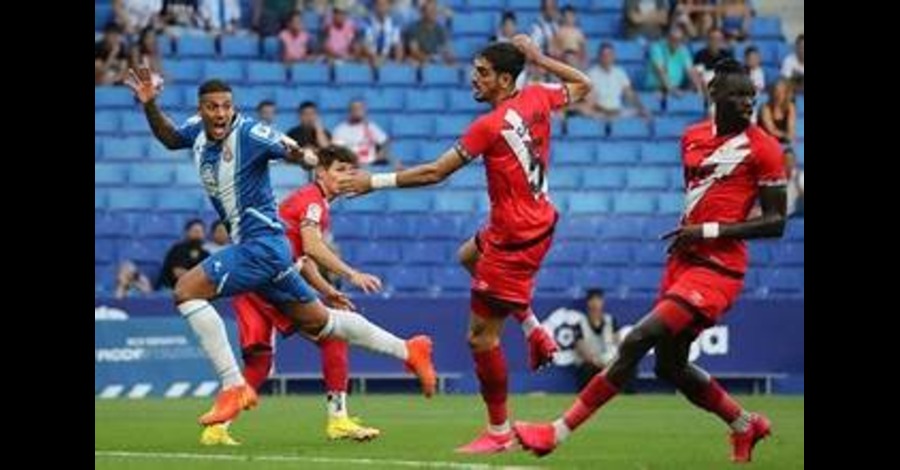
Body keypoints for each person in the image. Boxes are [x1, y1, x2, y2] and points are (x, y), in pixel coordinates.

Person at [124, 66, 436, 428]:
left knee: (186, 291)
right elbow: (170, 138)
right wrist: (149, 105)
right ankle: (408, 349)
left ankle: (232, 386)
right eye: (213, 107)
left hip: (262, 246)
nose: (221, 113)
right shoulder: (196, 129)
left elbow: (284, 146)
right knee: (324, 323)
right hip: (271, 254)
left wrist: (300, 155)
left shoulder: (250, 132)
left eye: (227, 106)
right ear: (202, 108)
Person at [512, 59, 787, 464]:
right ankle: (746, 424)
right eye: (737, 95)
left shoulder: (764, 148)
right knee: (670, 367)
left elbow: (776, 222)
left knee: (637, 339)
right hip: (684, 262)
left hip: (719, 271)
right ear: (714, 94)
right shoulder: (691, 138)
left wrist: (708, 231)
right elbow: (703, 195)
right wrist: (689, 232)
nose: (747, 102)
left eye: (751, 96)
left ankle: (556, 432)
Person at [337, 35, 592, 453]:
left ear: (505, 79)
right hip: (532, 221)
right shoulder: (539, 97)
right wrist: (539, 57)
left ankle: (498, 433)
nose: (474, 78)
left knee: (480, 339)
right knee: (467, 256)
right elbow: (583, 84)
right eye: (475, 69)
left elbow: (436, 172)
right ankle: (534, 328)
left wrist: (373, 181)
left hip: (515, 239)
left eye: (484, 73)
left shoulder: (488, 126)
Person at [201, 145, 383, 445]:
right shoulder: (314, 203)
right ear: (321, 173)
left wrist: (328, 291)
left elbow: (302, 259)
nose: (347, 177)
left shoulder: (307, 201)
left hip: (251, 282)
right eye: (339, 170)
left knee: (259, 362)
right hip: (269, 281)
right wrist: (352, 274)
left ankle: (217, 427)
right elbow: (311, 247)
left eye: (351, 171)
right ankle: (338, 420)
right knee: (333, 336)